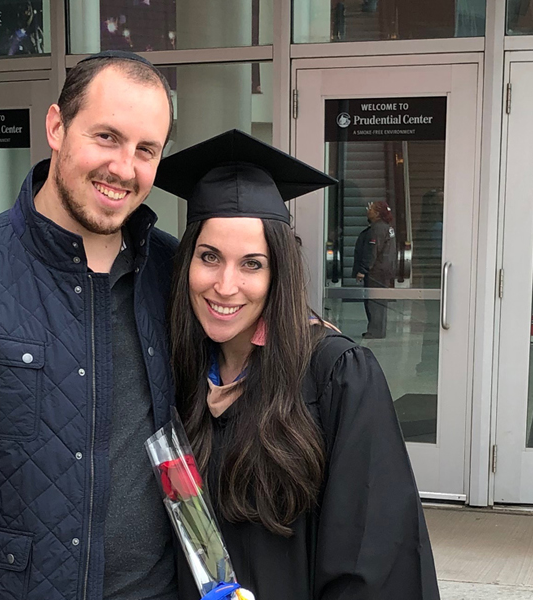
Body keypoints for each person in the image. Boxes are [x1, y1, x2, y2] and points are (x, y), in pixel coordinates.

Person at [0, 50, 178, 600]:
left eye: (146, 150)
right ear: (56, 127)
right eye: (107, 137)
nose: (124, 167)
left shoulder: (171, 272)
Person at [154, 130, 439, 600]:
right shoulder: (177, 370)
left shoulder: (336, 374)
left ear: (278, 272)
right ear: (186, 262)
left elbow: (373, 561)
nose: (225, 285)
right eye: (209, 258)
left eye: (251, 264)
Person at [351, 200, 396, 339]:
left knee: (373, 301)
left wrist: (362, 270)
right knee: (380, 301)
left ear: (376, 213)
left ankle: (375, 330)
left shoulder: (376, 230)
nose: (367, 210)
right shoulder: (387, 228)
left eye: (370, 208)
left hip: (376, 272)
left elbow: (372, 252)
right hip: (385, 270)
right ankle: (378, 329)